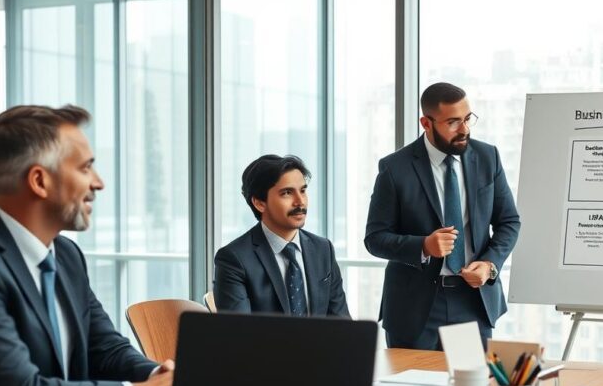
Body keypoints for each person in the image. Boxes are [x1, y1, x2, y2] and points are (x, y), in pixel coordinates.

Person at [0, 105, 173, 386]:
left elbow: (105, 349)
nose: (98, 183)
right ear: (40, 181)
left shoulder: (67, 255)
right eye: (85, 168)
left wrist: (159, 376)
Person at [365, 82, 520, 349]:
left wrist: (489, 265)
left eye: (467, 119)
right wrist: (423, 246)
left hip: (473, 301)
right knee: (414, 378)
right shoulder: (395, 168)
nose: (464, 129)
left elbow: (509, 222)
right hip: (414, 310)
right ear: (426, 123)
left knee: (469, 378)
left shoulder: (488, 157)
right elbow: (375, 238)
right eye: (453, 122)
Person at [213, 154, 349, 317]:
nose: (300, 201)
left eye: (303, 191)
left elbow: (342, 323)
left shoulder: (323, 249)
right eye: (287, 193)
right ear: (259, 203)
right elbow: (239, 330)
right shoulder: (234, 259)